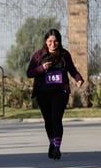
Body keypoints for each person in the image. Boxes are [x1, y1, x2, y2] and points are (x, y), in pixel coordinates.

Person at [27, 29, 84, 160]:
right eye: (50, 41)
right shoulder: (39, 55)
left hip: (60, 91)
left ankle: (57, 148)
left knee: (56, 119)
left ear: (59, 41)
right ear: (46, 42)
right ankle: (52, 143)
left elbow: (72, 70)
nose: (53, 44)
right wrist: (42, 68)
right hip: (43, 93)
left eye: (55, 41)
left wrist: (78, 79)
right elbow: (29, 72)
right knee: (48, 120)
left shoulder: (64, 54)